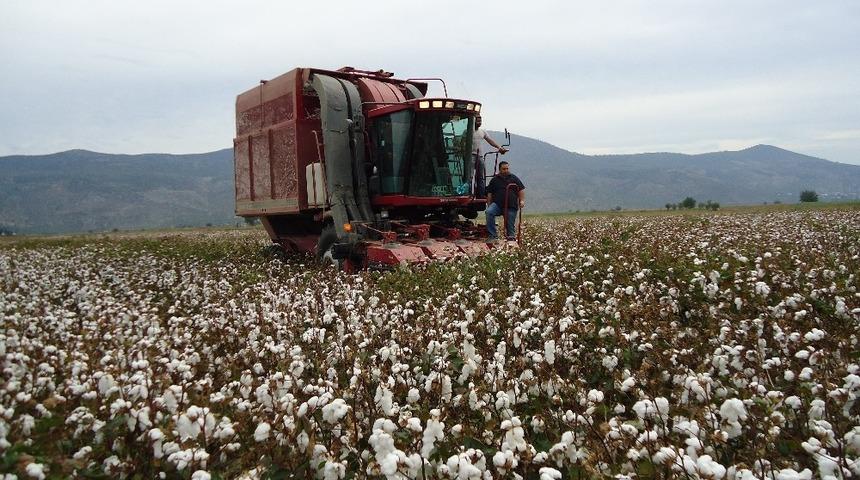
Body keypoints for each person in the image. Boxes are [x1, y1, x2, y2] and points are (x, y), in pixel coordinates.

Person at [486, 161, 525, 241]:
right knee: (489, 212)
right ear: (500, 169)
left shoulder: (514, 178)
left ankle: (511, 238)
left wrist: (522, 201)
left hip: (511, 205)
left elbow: (521, 190)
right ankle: (493, 236)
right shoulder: (494, 180)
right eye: (504, 169)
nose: (506, 170)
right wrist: (489, 204)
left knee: (509, 223)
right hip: (498, 205)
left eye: (507, 168)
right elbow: (489, 193)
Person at [473, 115, 508, 197]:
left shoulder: (482, 132)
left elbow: (490, 141)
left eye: (480, 121)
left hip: (480, 156)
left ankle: (481, 194)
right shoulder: (467, 131)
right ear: (473, 121)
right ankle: (468, 193)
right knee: (470, 176)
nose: (479, 123)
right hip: (470, 156)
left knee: (481, 176)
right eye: (477, 121)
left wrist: (499, 147)